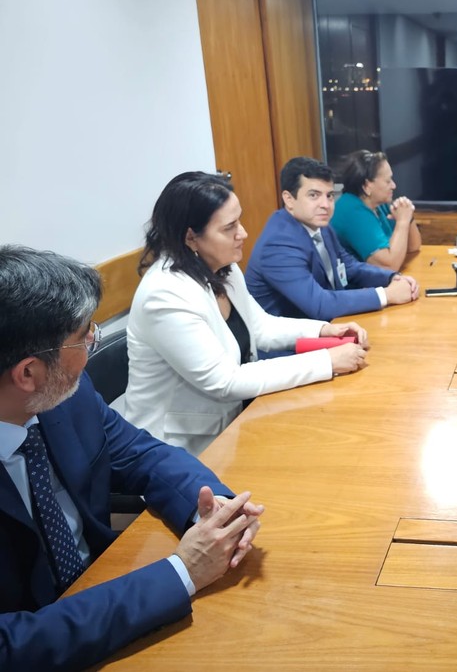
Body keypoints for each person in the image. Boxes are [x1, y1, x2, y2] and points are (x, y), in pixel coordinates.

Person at [0, 245, 263, 671]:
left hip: (102, 585)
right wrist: (182, 572)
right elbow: (11, 646)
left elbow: (141, 454)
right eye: (84, 335)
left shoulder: (66, 396)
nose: (93, 341)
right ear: (28, 373)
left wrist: (215, 512)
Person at [125, 172, 369, 455]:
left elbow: (260, 326)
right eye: (230, 227)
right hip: (179, 451)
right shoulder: (164, 295)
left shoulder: (219, 266)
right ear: (191, 237)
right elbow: (225, 381)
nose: (243, 233)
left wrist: (323, 331)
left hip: (232, 425)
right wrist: (326, 361)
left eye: (238, 220)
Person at [246, 157, 419, 322]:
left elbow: (349, 267)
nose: (325, 205)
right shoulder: (278, 244)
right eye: (314, 195)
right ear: (289, 199)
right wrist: (387, 295)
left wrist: (391, 278)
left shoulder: (320, 225)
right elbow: (319, 304)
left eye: (329, 195)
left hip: (330, 327)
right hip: (292, 346)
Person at [330, 150, 422, 271]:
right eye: (388, 181)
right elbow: (389, 266)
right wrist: (403, 222)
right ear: (367, 186)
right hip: (356, 287)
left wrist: (407, 214)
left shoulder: (378, 203)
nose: (394, 185)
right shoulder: (352, 212)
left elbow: (413, 246)